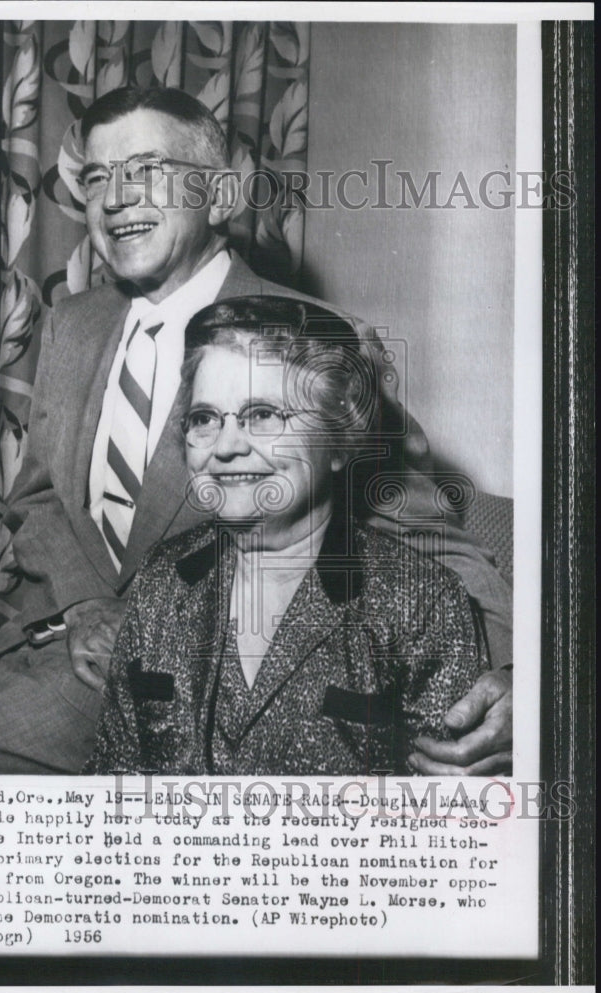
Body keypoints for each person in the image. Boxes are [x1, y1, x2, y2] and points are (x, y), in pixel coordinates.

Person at [0, 86, 512, 775]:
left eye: (145, 169)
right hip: (35, 640)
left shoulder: (316, 335)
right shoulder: (73, 321)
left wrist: (514, 675)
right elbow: (37, 497)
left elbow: (427, 533)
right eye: (95, 177)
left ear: (221, 194)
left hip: (176, 683)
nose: (114, 197)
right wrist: (85, 606)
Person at [95, 297, 489, 775]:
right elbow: (111, 783)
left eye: (263, 415)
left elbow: (447, 825)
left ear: (340, 441)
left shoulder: (421, 603)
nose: (226, 446)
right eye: (204, 419)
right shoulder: (162, 579)